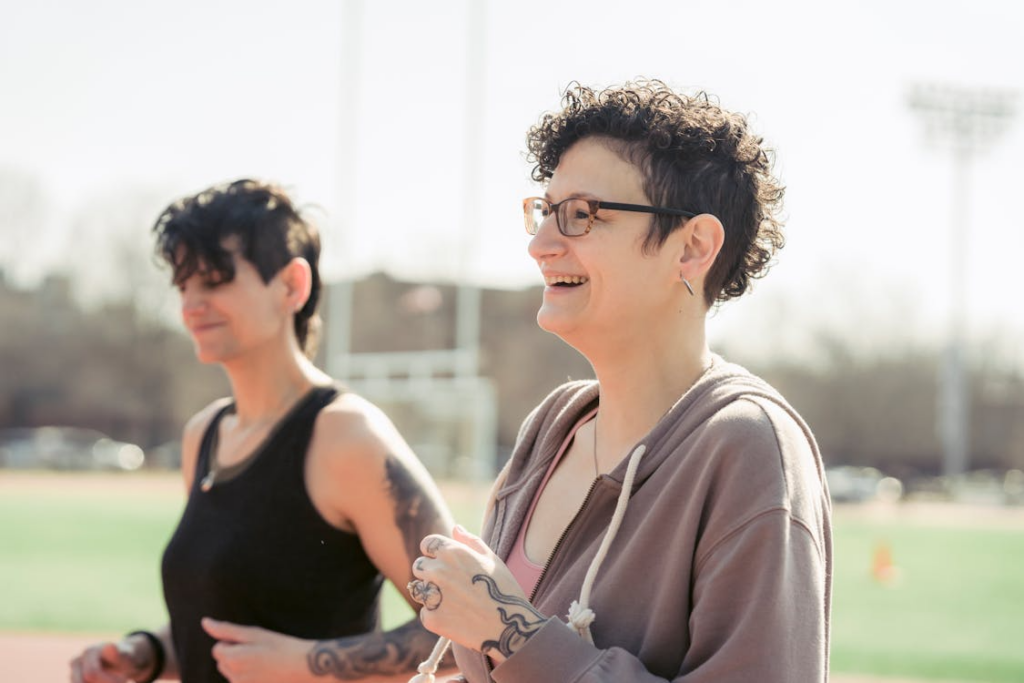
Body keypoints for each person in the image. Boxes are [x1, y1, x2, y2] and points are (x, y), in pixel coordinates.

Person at [407, 80, 832, 682]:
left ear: (692, 247)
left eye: (581, 215)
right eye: (544, 212)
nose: (539, 245)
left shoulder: (748, 448)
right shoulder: (550, 431)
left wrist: (510, 631)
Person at [70, 179, 455, 683]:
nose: (191, 304)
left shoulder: (345, 435)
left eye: (214, 280)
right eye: (183, 286)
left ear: (292, 285)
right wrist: (148, 654)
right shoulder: (204, 434)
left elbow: (466, 629)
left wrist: (307, 665)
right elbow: (226, 626)